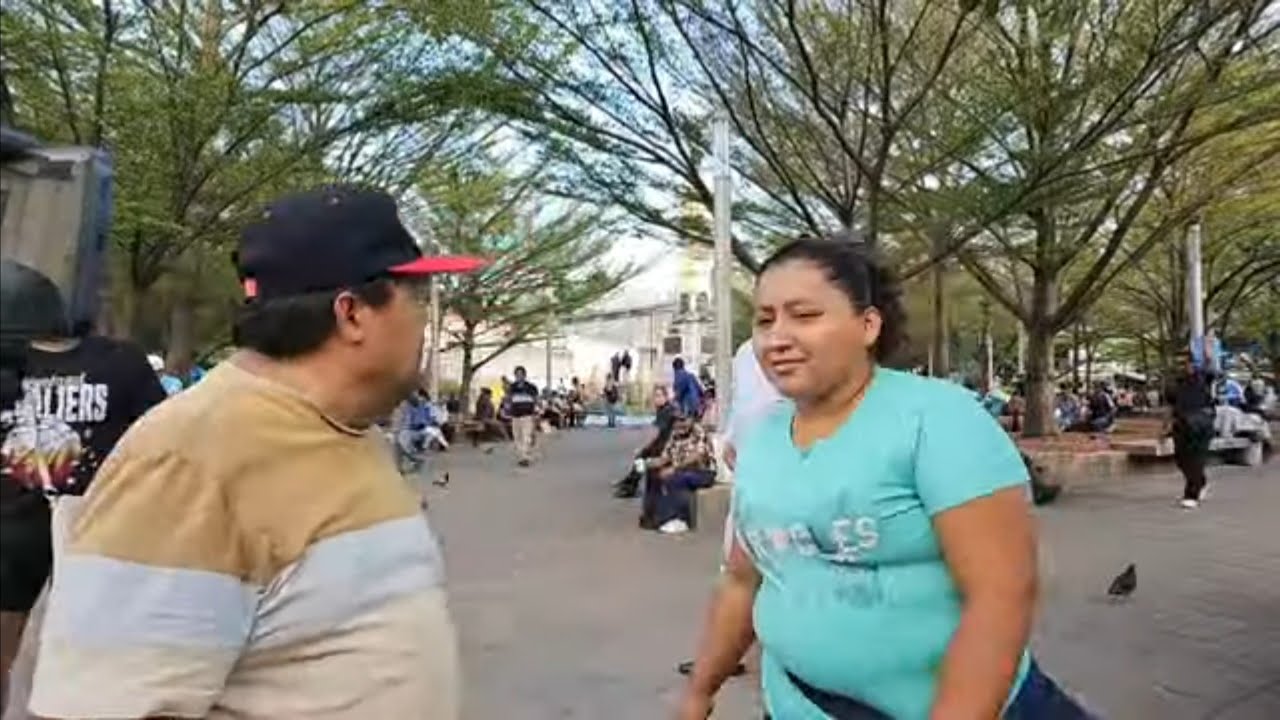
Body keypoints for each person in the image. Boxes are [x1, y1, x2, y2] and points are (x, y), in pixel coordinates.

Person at [25, 185, 486, 719]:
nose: (427, 323)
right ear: (352, 313)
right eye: (418, 297)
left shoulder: (351, 430)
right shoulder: (187, 461)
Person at [678, 236, 1089, 720]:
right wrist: (699, 692)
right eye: (765, 320)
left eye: (804, 316)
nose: (776, 338)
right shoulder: (763, 440)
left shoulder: (937, 419)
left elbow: (1000, 596)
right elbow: (742, 582)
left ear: (868, 325)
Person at [0, 260, 167, 709]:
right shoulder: (119, 361)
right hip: (58, 535)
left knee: (68, 665)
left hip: (71, 535)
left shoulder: (117, 363)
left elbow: (161, 439)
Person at [643, 412, 716, 535]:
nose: (680, 424)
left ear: (691, 419)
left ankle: (680, 519)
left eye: (684, 420)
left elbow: (697, 457)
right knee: (653, 474)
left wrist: (675, 468)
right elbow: (666, 456)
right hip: (682, 469)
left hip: (702, 471)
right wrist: (652, 463)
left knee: (676, 478)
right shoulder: (675, 433)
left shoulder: (699, 432)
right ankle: (653, 516)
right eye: (677, 421)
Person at [1165, 345, 1217, 509]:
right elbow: (1170, 406)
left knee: (1196, 458)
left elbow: (1210, 366)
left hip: (1201, 424)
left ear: (1193, 364)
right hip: (1181, 424)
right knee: (1181, 459)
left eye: (1186, 363)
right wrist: (1164, 426)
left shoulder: (1203, 378)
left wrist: (1208, 351)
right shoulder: (1173, 384)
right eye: (1179, 363)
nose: (1183, 366)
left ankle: (1191, 494)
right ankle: (1200, 482)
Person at [619, 385, 678, 500]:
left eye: (659, 396)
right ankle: (629, 482)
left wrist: (643, 447)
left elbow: (655, 433)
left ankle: (631, 486)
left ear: (666, 397)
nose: (656, 399)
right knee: (641, 456)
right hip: (664, 443)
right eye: (655, 396)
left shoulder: (666, 411)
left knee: (641, 456)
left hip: (666, 446)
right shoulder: (665, 409)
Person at [507, 366, 539, 466]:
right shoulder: (512, 387)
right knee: (517, 437)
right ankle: (522, 455)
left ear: (524, 375)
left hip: (527, 415)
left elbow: (536, 400)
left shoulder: (531, 387)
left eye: (521, 374)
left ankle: (525, 457)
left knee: (526, 436)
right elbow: (510, 399)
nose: (519, 376)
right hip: (515, 415)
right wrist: (509, 410)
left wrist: (535, 414)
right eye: (517, 374)